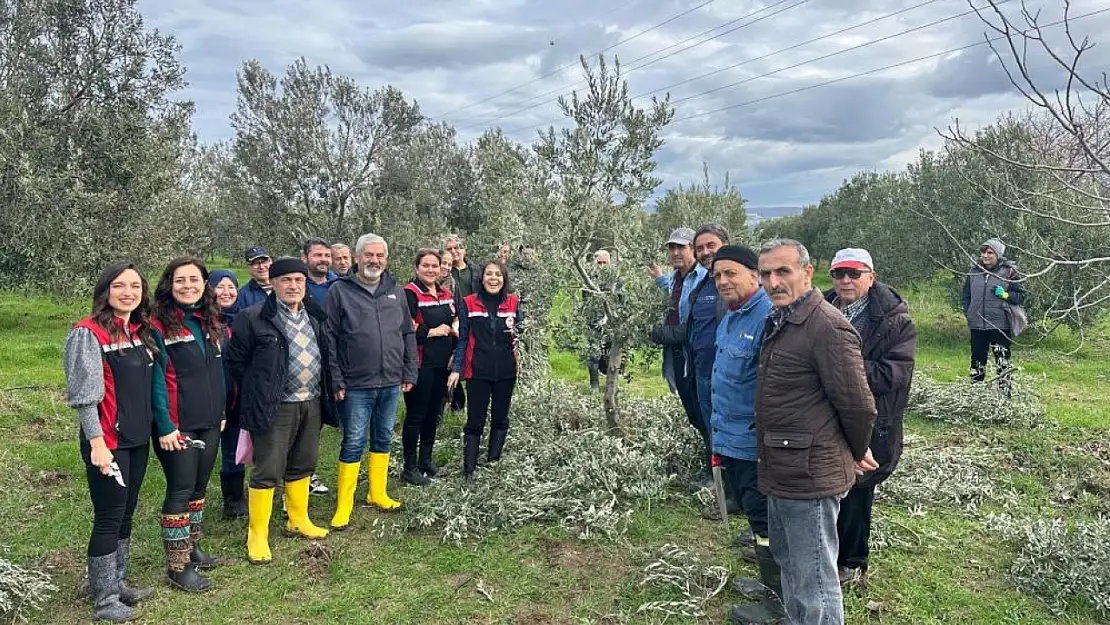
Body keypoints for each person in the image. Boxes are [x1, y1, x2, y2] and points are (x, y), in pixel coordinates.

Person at [746, 239, 877, 625]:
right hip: (781, 469)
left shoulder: (827, 328)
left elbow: (858, 406)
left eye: (782, 271)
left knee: (815, 582)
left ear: (807, 273)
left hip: (809, 477)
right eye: (766, 274)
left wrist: (853, 452)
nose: (773, 281)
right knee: (791, 565)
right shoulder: (782, 319)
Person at [64, 262, 168, 622]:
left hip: (136, 439)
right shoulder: (88, 333)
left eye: (135, 286)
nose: (128, 292)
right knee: (109, 516)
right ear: (105, 290)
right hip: (107, 440)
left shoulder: (138, 331)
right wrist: (96, 442)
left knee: (126, 511)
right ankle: (104, 599)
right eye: (120, 286)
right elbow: (85, 396)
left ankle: (118, 582)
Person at [226, 257, 338, 565]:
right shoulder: (252, 317)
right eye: (286, 280)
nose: (293, 286)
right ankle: (257, 533)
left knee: (303, 462)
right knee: (268, 468)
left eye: (298, 281)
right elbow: (235, 362)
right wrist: (258, 390)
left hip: (311, 400)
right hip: (275, 406)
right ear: (273, 284)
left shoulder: (315, 314)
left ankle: (297, 519)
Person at [825, 249, 916, 588]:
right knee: (829, 487)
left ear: (871, 276)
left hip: (873, 420)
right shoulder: (824, 307)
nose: (845, 280)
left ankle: (852, 563)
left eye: (854, 273)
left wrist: (842, 369)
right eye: (839, 274)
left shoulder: (895, 319)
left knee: (857, 491)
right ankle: (827, 555)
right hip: (827, 415)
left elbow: (895, 373)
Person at [702, 246, 776, 624]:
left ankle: (778, 602)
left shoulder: (769, 318)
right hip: (730, 439)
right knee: (756, 518)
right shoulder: (731, 318)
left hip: (754, 445)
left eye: (730, 273)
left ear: (754, 275)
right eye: (717, 276)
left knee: (766, 522)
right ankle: (770, 584)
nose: (723, 282)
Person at [325, 234, 417, 529]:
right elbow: (330, 338)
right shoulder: (340, 291)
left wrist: (409, 370)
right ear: (357, 258)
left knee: (383, 436)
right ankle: (344, 504)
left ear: (385, 260)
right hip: (355, 383)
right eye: (368, 255)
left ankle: (378, 492)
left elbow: (407, 333)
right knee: (353, 441)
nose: (374, 261)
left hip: (391, 380)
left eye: (379, 256)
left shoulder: (396, 291)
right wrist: (336, 378)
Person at [149, 258, 227, 592]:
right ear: (169, 284)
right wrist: (165, 426)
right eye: (180, 280)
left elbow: (215, 373)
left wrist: (221, 412)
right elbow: (155, 382)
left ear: (204, 284)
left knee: (198, 488)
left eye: (194, 279)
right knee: (180, 490)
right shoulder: (157, 326)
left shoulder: (208, 320)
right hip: (177, 425)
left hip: (210, 420)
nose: (187, 286)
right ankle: (177, 567)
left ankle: (193, 548)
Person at [448, 260, 524, 478]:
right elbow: (462, 339)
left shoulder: (513, 302)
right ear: (481, 279)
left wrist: (522, 359)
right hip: (477, 371)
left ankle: (493, 463)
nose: (493, 278)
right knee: (475, 420)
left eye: (498, 275)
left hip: (506, 372)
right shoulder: (468, 303)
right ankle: (469, 469)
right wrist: (456, 369)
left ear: (504, 279)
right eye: (489, 274)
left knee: (501, 418)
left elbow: (520, 337)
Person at [649, 227, 708, 482]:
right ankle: (712, 466)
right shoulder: (676, 278)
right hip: (678, 357)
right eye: (671, 248)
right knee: (694, 413)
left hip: (697, 357)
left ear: (692, 249)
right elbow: (672, 297)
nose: (675, 253)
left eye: (681, 247)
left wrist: (660, 334)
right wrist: (659, 279)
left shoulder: (704, 278)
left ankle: (718, 473)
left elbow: (693, 324)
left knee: (704, 413)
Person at [401, 249, 458, 485]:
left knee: (434, 413)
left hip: (442, 364)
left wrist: (454, 333)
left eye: (435, 266)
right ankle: (410, 467)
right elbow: (406, 326)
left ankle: (426, 459)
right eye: (426, 265)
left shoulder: (445, 293)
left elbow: (455, 318)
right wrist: (432, 332)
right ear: (417, 268)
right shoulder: (409, 293)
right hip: (420, 363)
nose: (431, 270)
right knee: (416, 414)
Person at [961, 238, 1026, 390]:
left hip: (1000, 325)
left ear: (998, 254)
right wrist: (968, 310)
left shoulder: (1009, 272)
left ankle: (1004, 396)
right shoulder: (974, 271)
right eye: (983, 252)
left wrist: (1005, 295)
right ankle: (976, 393)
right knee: (977, 361)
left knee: (1002, 361)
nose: (985, 256)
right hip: (977, 324)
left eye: (990, 252)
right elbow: (966, 295)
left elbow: (1022, 296)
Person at [208, 269, 248, 519]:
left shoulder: (243, 320)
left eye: (231, 287)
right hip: (210, 400)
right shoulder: (204, 324)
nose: (226, 292)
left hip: (238, 399)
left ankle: (234, 502)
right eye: (219, 286)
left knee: (234, 450)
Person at [445, 235, 473, 411]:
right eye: (450, 249)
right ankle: (455, 404)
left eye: (457, 247)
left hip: (472, 323)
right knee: (450, 363)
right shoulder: (445, 272)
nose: (454, 251)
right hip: (451, 325)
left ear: (465, 249)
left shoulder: (475, 271)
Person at [302, 237, 337, 305]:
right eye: (318, 255)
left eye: (327, 256)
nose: (323, 259)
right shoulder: (297, 286)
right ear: (304, 258)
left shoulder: (339, 286)